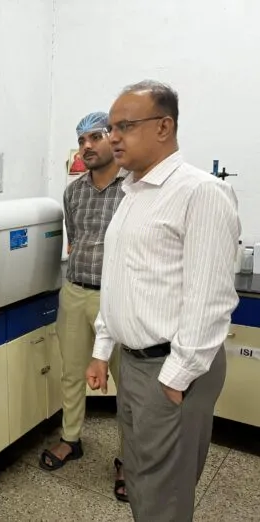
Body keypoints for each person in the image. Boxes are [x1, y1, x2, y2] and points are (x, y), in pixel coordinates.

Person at [86, 81, 240, 521]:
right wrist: (102, 351)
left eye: (125, 126)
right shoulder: (132, 195)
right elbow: (118, 282)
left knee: (165, 495)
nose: (112, 136)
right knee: (140, 476)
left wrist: (177, 378)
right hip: (135, 364)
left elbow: (210, 299)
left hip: (172, 367)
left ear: (164, 126)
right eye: (110, 127)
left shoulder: (199, 192)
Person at [39, 111, 129, 502]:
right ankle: (71, 439)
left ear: (113, 138)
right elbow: (74, 242)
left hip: (121, 298)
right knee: (71, 374)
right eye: (81, 140)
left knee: (129, 383)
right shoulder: (73, 192)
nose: (87, 146)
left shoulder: (135, 189)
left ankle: (130, 458)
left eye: (95, 137)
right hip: (75, 293)